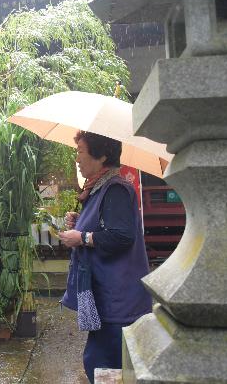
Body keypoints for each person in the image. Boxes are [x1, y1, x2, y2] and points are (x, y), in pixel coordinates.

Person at [58, 131, 151, 384]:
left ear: (102, 156)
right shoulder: (101, 187)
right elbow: (105, 226)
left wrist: (82, 238)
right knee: (100, 362)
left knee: (103, 364)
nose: (77, 159)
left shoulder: (116, 188)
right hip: (109, 296)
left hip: (117, 299)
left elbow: (122, 236)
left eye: (80, 151)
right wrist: (81, 223)